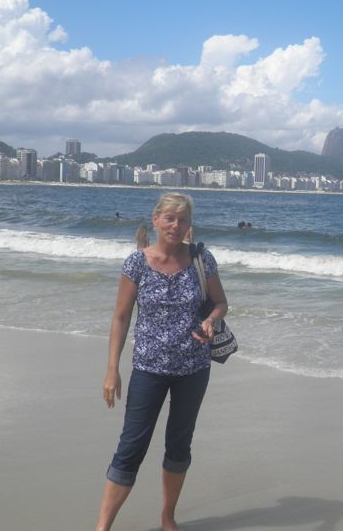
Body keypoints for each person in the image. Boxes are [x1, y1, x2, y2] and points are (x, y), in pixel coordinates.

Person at [96, 193, 228, 531]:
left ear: (189, 225)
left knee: (179, 444)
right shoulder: (137, 263)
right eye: (169, 218)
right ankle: (103, 526)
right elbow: (121, 317)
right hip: (148, 369)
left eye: (182, 220)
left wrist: (211, 320)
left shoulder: (202, 259)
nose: (176, 225)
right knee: (131, 446)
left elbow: (220, 303)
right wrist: (112, 369)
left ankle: (168, 517)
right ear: (155, 220)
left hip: (194, 368)